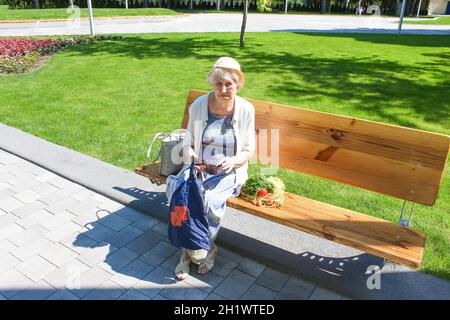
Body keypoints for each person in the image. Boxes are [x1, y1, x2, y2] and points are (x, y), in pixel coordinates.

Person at [167, 57, 256, 280]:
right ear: (212, 84)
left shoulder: (245, 109)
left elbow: (248, 151)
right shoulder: (199, 106)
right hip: (198, 167)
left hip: (229, 171)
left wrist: (234, 161)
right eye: (218, 84)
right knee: (180, 196)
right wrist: (193, 157)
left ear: (238, 85)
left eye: (229, 84)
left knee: (209, 202)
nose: (223, 89)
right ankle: (187, 252)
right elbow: (188, 143)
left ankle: (203, 247)